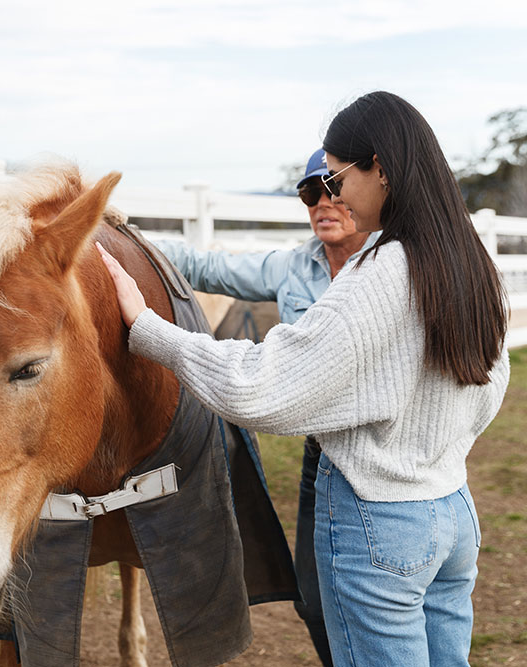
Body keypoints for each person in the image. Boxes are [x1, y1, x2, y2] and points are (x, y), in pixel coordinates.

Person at [97, 91, 510, 666]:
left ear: (381, 170)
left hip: (378, 514)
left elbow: (260, 387)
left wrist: (146, 328)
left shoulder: (377, 273)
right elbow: (491, 386)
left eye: (337, 178)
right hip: (451, 509)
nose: (331, 195)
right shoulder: (467, 260)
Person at [149, 147, 378, 666]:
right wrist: (117, 237)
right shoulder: (295, 266)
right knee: (317, 603)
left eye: (331, 188)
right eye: (308, 193)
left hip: (384, 451)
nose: (321, 201)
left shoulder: (392, 264)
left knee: (386, 602)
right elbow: (204, 266)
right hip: (323, 457)